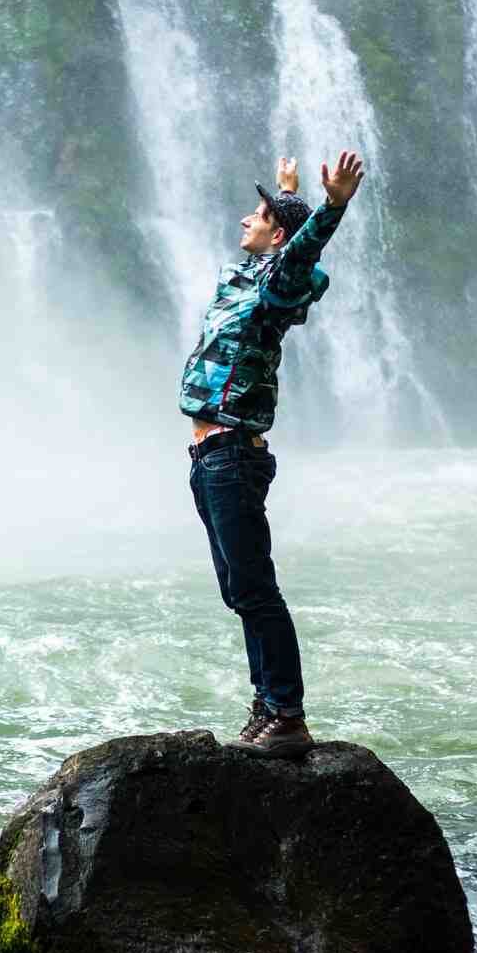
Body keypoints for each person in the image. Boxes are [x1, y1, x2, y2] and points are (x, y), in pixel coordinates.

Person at [179, 150, 364, 757]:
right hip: (210, 457)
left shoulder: (275, 289)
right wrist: (286, 197)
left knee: (256, 591)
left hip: (232, 454)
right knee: (240, 592)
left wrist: (329, 208)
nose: (243, 219)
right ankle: (268, 705)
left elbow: (300, 262)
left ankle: (286, 713)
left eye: (256, 216)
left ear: (278, 236)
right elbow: (284, 254)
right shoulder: (244, 277)